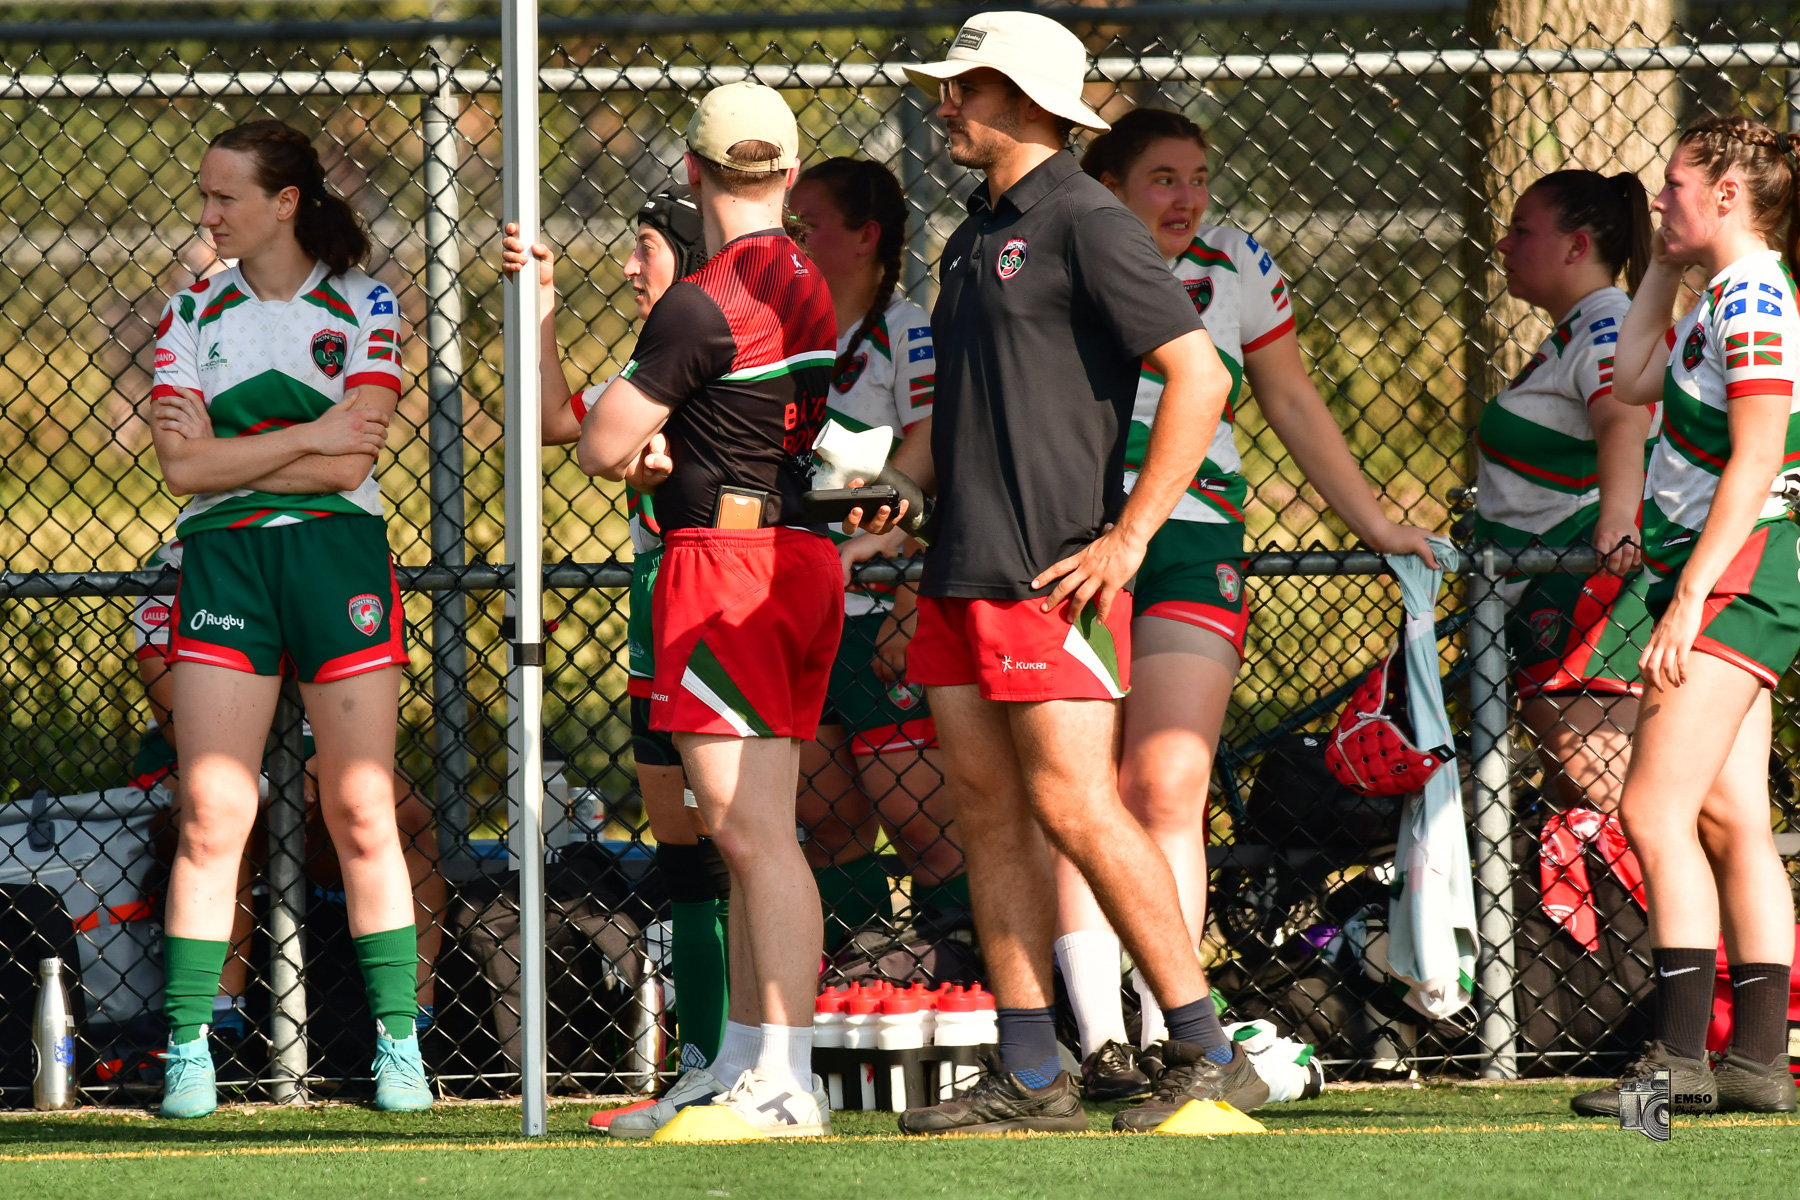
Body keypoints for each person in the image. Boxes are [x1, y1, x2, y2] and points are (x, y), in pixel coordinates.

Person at [866, 13, 1249, 1135]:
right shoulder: (971, 232)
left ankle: (1203, 1045)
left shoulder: (1088, 219)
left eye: (963, 87)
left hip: (1051, 576)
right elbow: (966, 411)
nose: (945, 105)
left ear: (1023, 99)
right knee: (989, 810)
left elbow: (1199, 378)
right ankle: (1032, 1070)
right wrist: (896, 496)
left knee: (1079, 806)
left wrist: (1130, 538)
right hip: (958, 569)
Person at [1044, 107, 1441, 1099]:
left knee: (1169, 786)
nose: (1188, 197)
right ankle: (1100, 1046)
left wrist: (1376, 523)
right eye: (1164, 179)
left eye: (1198, 176)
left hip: (1196, 537)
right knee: (1078, 791)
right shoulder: (1066, 247)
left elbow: (1291, 399)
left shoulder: (1238, 262)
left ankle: (1173, 1037)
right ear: (1111, 188)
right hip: (1079, 538)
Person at [570, 82, 840, 1138]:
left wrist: (646, 436)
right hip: (786, 548)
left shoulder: (707, 294)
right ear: (789, 172)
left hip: (727, 560)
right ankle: (741, 1061)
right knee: (746, 831)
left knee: (751, 830)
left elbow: (599, 443)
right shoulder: (807, 274)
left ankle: (786, 1077)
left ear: (692, 170)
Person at [146, 118, 429, 1117]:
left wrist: (237, 454)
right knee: (214, 810)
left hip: (337, 555)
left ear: (285, 203)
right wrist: (309, 432)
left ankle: (400, 1042)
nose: (209, 214)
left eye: (226, 197)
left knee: (361, 805)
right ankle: (187, 1049)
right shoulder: (189, 312)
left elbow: (357, 465)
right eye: (206, 194)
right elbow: (182, 469)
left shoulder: (365, 304)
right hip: (227, 559)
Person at [1576, 113, 1800, 1117]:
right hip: (1735, 568)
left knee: (1652, 809)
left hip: (1743, 568)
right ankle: (1755, 1063)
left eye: (1674, 185)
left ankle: (1677, 1064)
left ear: (1724, 194)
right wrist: (1664, 270)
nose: (1657, 198)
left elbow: (1758, 460)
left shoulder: (1755, 294)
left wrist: (1691, 601)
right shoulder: (1720, 290)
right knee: (1731, 815)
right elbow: (1629, 381)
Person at [501, 183, 735, 1133]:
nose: (631, 267)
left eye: (645, 247)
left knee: (738, 836)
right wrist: (543, 301)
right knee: (681, 846)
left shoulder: (730, 345)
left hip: (719, 601)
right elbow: (559, 421)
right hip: (654, 612)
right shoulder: (656, 358)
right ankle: (701, 1058)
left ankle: (747, 1058)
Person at [131, 537, 447, 1047]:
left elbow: (358, 712)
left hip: (317, 755)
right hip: (207, 753)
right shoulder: (178, 564)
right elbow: (177, 723)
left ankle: (413, 1023)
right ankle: (217, 1025)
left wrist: (314, 767)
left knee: (402, 813)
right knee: (215, 811)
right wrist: (277, 774)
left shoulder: (342, 543)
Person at [785, 158, 968, 951]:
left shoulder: (906, 328)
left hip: (884, 588)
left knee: (917, 816)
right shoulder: (781, 328)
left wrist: (900, 583)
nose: (792, 238)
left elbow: (934, 445)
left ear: (865, 237)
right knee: (824, 818)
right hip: (802, 596)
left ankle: (964, 978)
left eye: (808, 225)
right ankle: (857, 982)